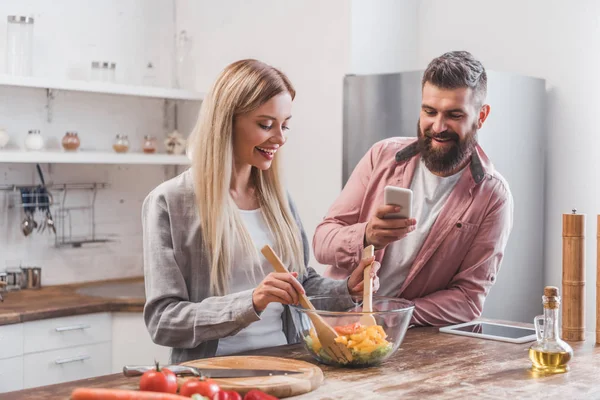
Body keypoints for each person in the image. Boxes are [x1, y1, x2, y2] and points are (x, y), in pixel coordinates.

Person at [142, 59, 378, 363]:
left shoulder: (278, 200)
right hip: (214, 376)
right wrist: (252, 301)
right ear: (227, 122)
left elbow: (301, 284)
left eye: (285, 125)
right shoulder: (170, 202)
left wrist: (347, 289)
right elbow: (163, 321)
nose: (280, 138)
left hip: (290, 365)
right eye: (266, 125)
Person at [313, 51, 513, 327]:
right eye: (429, 112)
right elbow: (322, 242)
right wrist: (366, 235)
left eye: (454, 115)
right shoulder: (382, 155)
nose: (438, 126)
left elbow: (468, 301)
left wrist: (388, 315)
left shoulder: (492, 196)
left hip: (410, 343)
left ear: (482, 116)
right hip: (334, 328)